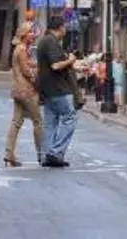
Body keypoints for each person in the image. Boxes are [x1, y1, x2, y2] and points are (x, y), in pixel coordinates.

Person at [36, 16, 80, 168]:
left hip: (47, 89)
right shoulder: (52, 42)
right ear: (60, 27)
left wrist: (76, 67)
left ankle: (47, 154)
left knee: (50, 123)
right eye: (65, 27)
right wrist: (71, 60)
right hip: (59, 88)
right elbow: (55, 65)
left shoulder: (43, 41)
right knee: (70, 118)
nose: (65, 30)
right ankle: (55, 152)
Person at [4, 23, 43, 167]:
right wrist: (37, 78)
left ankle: (9, 153)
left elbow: (28, 63)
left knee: (16, 122)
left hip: (18, 91)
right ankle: (42, 153)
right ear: (24, 35)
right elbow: (26, 70)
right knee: (38, 122)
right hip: (27, 91)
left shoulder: (20, 49)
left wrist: (38, 64)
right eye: (31, 32)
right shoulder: (21, 49)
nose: (34, 35)